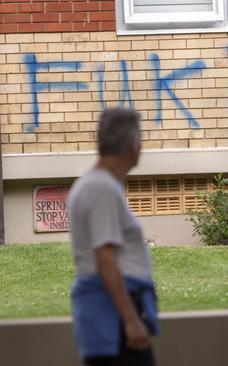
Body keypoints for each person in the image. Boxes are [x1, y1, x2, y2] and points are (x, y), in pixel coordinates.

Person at [68, 107, 158, 366]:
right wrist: (131, 320)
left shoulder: (94, 184)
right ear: (132, 144)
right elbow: (105, 257)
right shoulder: (101, 189)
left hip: (109, 314)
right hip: (114, 317)